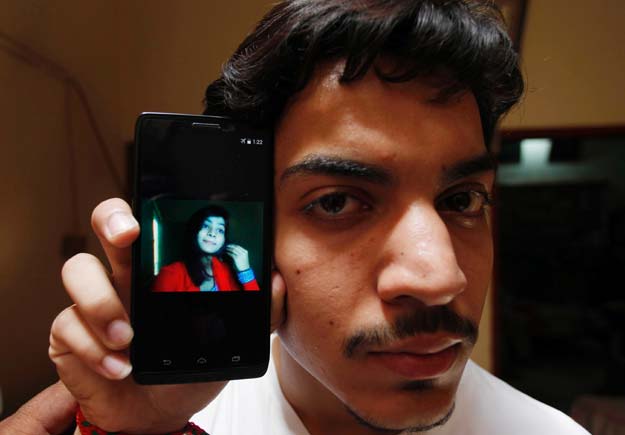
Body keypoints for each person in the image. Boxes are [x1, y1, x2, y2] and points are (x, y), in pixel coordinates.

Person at [44, 1, 590, 434]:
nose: (441, 279)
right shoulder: (172, 417)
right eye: (336, 201)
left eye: (463, 200)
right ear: (254, 229)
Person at [151, 205, 260, 292]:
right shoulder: (169, 274)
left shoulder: (225, 270)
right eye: (206, 226)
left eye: (220, 230)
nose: (212, 233)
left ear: (224, 240)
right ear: (194, 231)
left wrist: (246, 271)